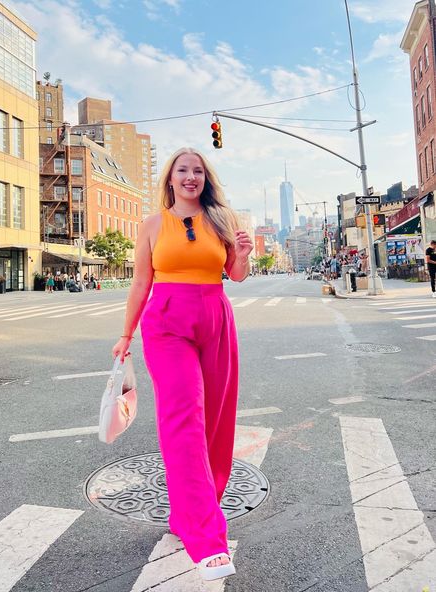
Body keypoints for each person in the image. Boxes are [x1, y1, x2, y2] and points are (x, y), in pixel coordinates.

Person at [112, 147, 253, 581]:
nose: (190, 176)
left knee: (215, 419)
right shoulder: (152, 225)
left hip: (215, 318)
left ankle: (190, 508)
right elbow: (141, 282)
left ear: (205, 178)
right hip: (167, 324)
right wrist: (125, 334)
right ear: (170, 179)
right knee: (184, 419)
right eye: (182, 170)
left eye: (197, 171)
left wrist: (243, 253)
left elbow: (236, 274)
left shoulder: (222, 220)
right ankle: (206, 537)